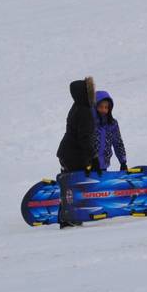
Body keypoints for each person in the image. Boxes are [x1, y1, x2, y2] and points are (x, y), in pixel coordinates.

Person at [55, 78, 99, 228]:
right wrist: (93, 158)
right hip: (73, 155)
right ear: (83, 93)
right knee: (73, 185)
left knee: (69, 184)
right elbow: (84, 139)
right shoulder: (84, 111)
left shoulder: (77, 107)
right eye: (89, 91)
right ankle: (69, 218)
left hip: (67, 152)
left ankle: (67, 215)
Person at [93, 90, 128, 173]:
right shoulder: (89, 124)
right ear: (94, 107)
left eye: (106, 107)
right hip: (87, 166)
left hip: (103, 166)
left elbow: (118, 143)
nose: (103, 110)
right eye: (100, 107)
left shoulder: (112, 124)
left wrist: (123, 162)